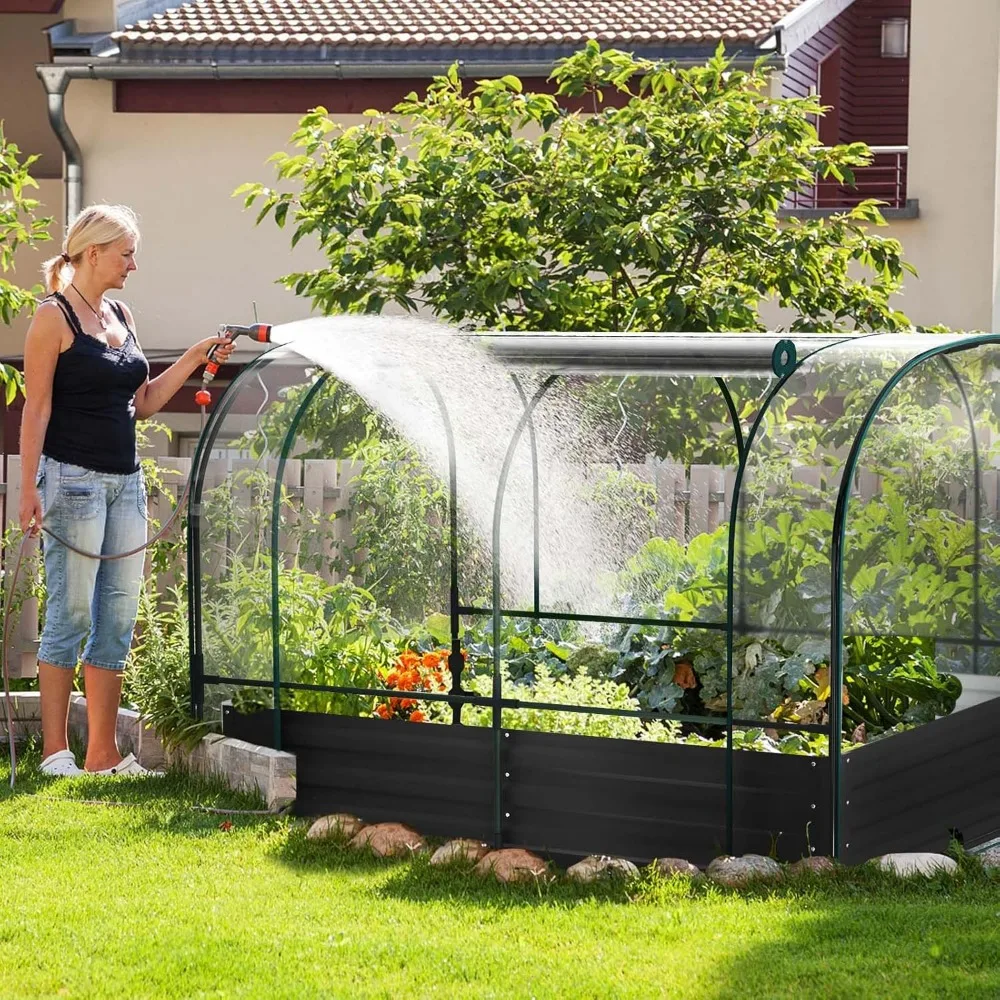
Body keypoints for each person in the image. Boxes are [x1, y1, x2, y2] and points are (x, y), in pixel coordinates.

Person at [19, 204, 235, 776]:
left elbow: (143, 403)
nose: (133, 265)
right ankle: (54, 753)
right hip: (73, 481)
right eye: (126, 254)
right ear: (94, 253)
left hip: (125, 484)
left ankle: (103, 753)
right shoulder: (53, 317)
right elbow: (35, 409)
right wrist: (28, 489)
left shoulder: (120, 313)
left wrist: (193, 355)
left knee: (116, 616)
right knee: (68, 612)